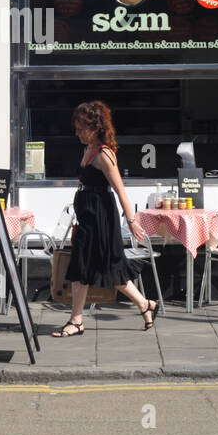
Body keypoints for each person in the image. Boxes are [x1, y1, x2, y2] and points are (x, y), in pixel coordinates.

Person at [51, 100, 160, 337]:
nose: (77, 132)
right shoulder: (87, 149)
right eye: (77, 128)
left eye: (81, 128)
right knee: (83, 267)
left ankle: (141, 305)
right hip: (87, 217)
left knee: (103, 267)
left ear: (95, 127)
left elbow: (120, 191)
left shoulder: (104, 155)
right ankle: (141, 305)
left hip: (100, 218)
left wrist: (131, 222)